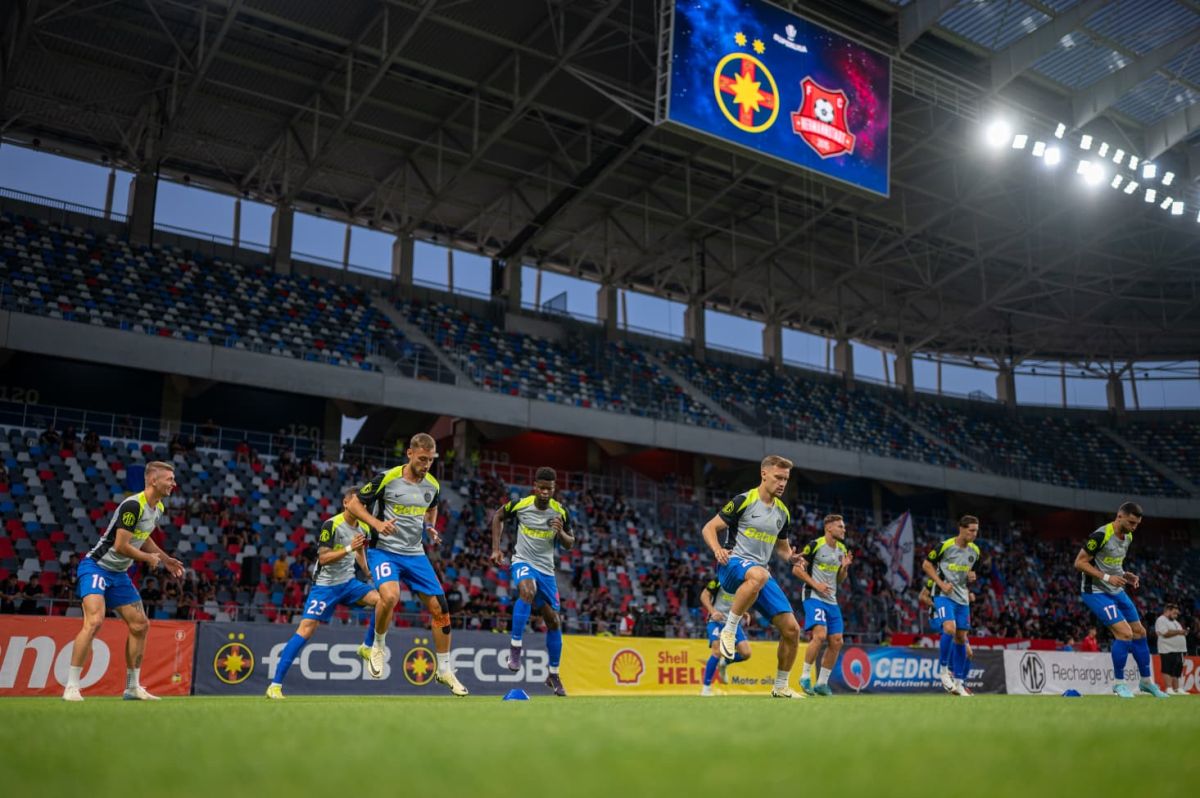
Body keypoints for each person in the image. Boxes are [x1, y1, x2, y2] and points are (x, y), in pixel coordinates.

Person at [348, 433, 468, 696]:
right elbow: (354, 504)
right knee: (390, 596)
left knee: (441, 609)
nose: (426, 464)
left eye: (431, 460)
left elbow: (432, 507)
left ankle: (444, 670)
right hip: (384, 551)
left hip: (415, 554)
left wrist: (429, 526)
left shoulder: (432, 485)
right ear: (410, 454)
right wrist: (377, 524)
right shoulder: (387, 479)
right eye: (422, 459)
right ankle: (377, 646)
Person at [65, 461, 185, 701]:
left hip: (119, 574)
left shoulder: (158, 508)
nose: (174, 483)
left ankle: (132, 687)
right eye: (170, 479)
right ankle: (71, 686)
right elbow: (121, 545)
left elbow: (143, 537)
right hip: (96, 567)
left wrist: (165, 559)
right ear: (153, 480)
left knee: (141, 625)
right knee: (95, 621)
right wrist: (147, 558)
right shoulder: (132, 506)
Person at [701, 454, 805, 699]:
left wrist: (791, 558)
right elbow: (709, 528)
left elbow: (782, 548)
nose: (782, 483)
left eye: (786, 479)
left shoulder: (783, 512)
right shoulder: (744, 500)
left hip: (758, 575)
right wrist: (717, 549)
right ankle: (729, 631)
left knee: (792, 630)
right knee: (760, 574)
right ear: (764, 474)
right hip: (731, 565)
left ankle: (781, 686)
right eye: (778, 477)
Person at [266, 489, 379, 698]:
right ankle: (275, 685)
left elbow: (360, 551)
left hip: (349, 583)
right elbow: (324, 558)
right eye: (357, 503)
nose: (361, 508)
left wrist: (366, 571)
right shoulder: (331, 524)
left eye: (363, 505)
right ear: (346, 503)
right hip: (325, 587)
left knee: (383, 600)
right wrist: (348, 548)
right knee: (305, 630)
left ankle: (367, 646)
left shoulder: (364, 527)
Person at [489, 467, 575, 697]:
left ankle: (553, 674)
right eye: (542, 488)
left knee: (554, 621)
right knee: (527, 590)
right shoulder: (520, 505)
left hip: (546, 571)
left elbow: (570, 543)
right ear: (535, 487)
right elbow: (498, 516)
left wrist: (561, 533)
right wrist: (496, 549)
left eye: (549, 489)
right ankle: (515, 647)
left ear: (554, 489)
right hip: (523, 562)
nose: (545, 492)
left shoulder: (560, 512)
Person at [1074, 501, 1167, 699]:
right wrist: (1107, 578)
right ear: (1119, 516)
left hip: (1116, 589)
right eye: (1131, 523)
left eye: (1137, 524)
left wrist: (1125, 574)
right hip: (1095, 591)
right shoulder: (1100, 535)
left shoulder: (1128, 537)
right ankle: (1119, 684)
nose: (1134, 528)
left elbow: (1112, 564)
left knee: (1140, 632)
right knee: (1124, 633)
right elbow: (1079, 563)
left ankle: (1146, 682)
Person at [923, 515, 981, 697]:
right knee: (949, 628)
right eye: (971, 530)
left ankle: (959, 683)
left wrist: (972, 576)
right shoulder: (945, 546)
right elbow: (926, 565)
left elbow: (970, 572)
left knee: (961, 638)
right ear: (961, 529)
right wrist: (941, 584)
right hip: (943, 595)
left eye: (976, 531)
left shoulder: (975, 551)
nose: (974, 534)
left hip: (962, 599)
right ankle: (943, 672)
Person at [795, 514, 852, 696]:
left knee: (837, 641)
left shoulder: (842, 549)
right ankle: (805, 676)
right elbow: (796, 569)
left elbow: (839, 580)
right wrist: (816, 584)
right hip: (813, 596)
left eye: (844, 527)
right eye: (840, 526)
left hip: (831, 600)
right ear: (829, 528)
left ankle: (821, 683)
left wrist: (844, 568)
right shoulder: (815, 545)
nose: (844, 530)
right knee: (820, 635)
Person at [698, 575, 752, 696]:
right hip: (716, 622)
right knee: (717, 651)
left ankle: (724, 663)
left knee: (746, 653)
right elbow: (704, 595)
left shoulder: (745, 584)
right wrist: (713, 611)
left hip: (732, 623)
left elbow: (736, 602)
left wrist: (743, 612)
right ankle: (706, 688)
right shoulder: (719, 580)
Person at [1154, 603, 1187, 695]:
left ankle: (1177, 688)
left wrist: (1183, 633)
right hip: (1167, 649)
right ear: (1168, 611)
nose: (1176, 615)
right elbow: (1165, 633)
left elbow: (1178, 632)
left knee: (1177, 670)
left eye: (1177, 613)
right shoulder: (1161, 620)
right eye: (1174, 613)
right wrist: (1179, 632)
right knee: (1167, 669)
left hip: (1178, 650)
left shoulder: (1175, 622)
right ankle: (1169, 688)